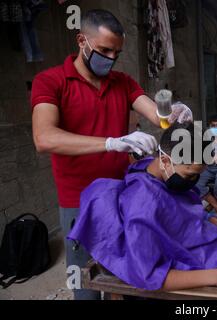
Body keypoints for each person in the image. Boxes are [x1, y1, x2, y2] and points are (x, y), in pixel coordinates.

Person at [31, 9, 192, 300]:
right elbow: (44, 138)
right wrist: (110, 143)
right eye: (104, 50)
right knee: (86, 284)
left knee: (126, 279)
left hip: (121, 195)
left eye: (116, 52)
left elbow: (158, 118)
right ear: (82, 40)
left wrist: (173, 112)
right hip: (79, 202)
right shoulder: (51, 81)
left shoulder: (123, 82)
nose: (110, 58)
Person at [68, 122, 217, 300]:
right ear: (165, 160)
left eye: (198, 173)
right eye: (191, 174)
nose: (194, 182)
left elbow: (187, 211)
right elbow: (150, 275)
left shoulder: (156, 171)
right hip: (204, 265)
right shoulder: (142, 206)